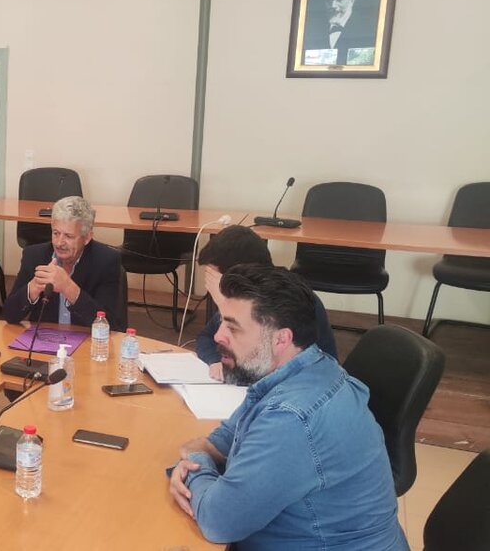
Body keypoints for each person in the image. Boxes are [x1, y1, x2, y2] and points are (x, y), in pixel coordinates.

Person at [168, 265, 406, 550]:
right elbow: (223, 440)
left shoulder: (292, 417)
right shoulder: (307, 367)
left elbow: (217, 521)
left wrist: (194, 468)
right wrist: (203, 459)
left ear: (281, 339)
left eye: (232, 327)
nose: (218, 336)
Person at [195, 225, 337, 381]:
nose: (210, 286)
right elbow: (206, 337)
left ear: (240, 275)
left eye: (214, 278)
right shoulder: (246, 300)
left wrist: (224, 302)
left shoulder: (290, 303)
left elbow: (266, 369)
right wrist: (217, 360)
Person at [2, 195, 123, 328]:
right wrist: (33, 288)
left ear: (87, 237)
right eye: (56, 233)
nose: (59, 243)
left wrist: (68, 287)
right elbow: (8, 315)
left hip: (86, 338)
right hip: (44, 337)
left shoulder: (106, 260)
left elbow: (110, 324)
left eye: (69, 236)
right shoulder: (34, 256)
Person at [303, 0, 376, 65]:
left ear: (352, 1)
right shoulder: (312, 30)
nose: (333, 5)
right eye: (329, 1)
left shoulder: (368, 29)